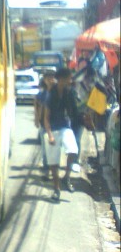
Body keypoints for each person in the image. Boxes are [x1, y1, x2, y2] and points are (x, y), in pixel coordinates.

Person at [43, 67, 79, 202]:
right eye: (69, 78)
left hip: (65, 127)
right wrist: (50, 135)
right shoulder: (50, 94)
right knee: (53, 162)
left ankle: (67, 177)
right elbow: (46, 118)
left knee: (73, 150)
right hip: (51, 129)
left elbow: (73, 112)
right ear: (62, 79)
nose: (71, 80)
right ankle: (56, 189)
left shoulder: (69, 93)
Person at [34, 71, 56, 180]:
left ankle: (52, 168)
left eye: (52, 77)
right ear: (44, 80)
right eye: (48, 78)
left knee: (54, 148)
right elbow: (37, 107)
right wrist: (37, 120)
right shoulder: (41, 94)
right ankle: (46, 168)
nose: (50, 80)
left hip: (56, 125)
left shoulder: (58, 92)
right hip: (44, 124)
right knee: (45, 148)